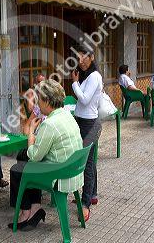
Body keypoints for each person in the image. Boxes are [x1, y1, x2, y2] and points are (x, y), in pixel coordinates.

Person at [8, 79, 83, 231]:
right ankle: (35, 207)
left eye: (39, 100)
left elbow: (35, 156)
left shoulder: (50, 123)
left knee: (16, 169)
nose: (37, 103)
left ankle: (25, 211)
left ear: (47, 101)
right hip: (73, 169)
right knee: (23, 158)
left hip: (60, 175)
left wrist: (31, 135)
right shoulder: (67, 114)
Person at [71, 49, 103, 222]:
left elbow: (84, 99)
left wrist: (75, 83)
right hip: (82, 121)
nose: (81, 61)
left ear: (92, 57)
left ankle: (85, 204)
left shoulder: (94, 77)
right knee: (89, 160)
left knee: (87, 162)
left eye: (84, 57)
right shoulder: (87, 76)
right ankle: (93, 194)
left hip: (89, 124)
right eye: (78, 58)